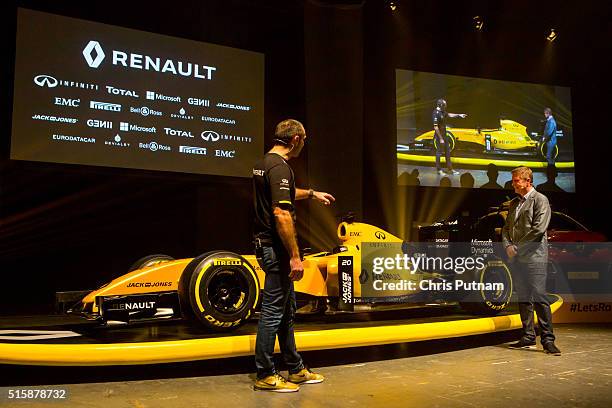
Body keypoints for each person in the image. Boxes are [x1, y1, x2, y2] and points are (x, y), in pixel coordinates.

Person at [252, 119, 335, 392]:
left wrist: (312, 193)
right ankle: (265, 374)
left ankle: (295, 368)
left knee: (286, 311)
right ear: (296, 139)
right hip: (276, 249)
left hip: (269, 246)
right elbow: (281, 212)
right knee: (273, 312)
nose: (304, 144)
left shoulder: (266, 162)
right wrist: (295, 256)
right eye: (305, 139)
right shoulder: (279, 167)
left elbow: (285, 193)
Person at [502, 166, 561, 355]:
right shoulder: (514, 203)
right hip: (517, 258)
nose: (513, 184)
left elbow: (538, 229)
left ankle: (548, 340)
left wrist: (516, 248)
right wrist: (507, 246)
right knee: (524, 298)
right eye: (513, 181)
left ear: (528, 181)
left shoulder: (540, 200)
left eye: (516, 180)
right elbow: (505, 229)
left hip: (534, 257)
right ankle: (528, 337)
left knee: (539, 297)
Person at [433, 98, 467, 176]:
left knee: (448, 153)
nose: (446, 106)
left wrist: (459, 115)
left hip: (445, 136)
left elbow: (449, 114)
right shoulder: (436, 113)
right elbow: (435, 127)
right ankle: (439, 170)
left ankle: (450, 169)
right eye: (444, 105)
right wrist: (441, 138)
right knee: (439, 153)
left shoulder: (442, 112)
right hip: (439, 137)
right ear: (441, 105)